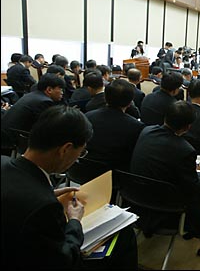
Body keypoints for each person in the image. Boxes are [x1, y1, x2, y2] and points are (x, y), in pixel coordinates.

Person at [1, 105, 138, 269]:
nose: (78, 159)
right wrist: (74, 221)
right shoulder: (44, 206)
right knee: (123, 236)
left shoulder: (4, 162)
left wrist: (48, 193)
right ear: (65, 149)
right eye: (80, 153)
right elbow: (64, 260)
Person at [130, 101, 200, 238]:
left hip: (137, 195)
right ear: (188, 127)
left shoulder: (146, 131)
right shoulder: (185, 150)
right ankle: (194, 221)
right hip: (168, 202)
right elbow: (194, 188)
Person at [85, 79, 145, 171]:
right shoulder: (137, 127)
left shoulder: (87, 116)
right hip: (116, 175)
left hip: (83, 170)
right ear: (130, 102)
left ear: (105, 97)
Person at [1, 73, 65, 151]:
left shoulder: (33, 95)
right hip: (14, 140)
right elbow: (47, 126)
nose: (62, 92)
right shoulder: (44, 102)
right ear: (49, 90)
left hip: (8, 134)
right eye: (60, 89)